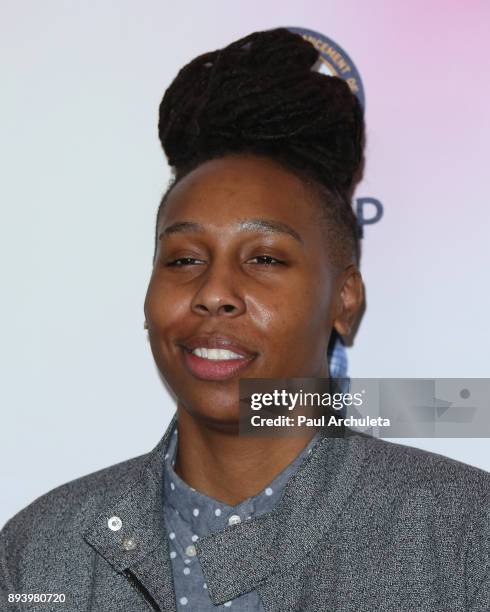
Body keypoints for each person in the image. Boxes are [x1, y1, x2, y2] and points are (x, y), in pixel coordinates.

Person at [1, 28, 489, 612]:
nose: (213, 293)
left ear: (345, 300)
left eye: (264, 258)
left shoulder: (464, 537)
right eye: (183, 259)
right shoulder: (38, 551)